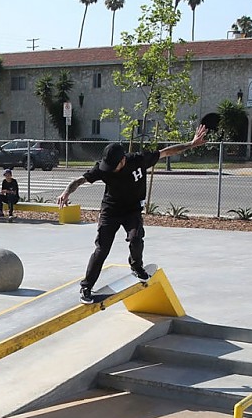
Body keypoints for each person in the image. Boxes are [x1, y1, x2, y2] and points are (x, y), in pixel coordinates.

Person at [57, 125, 210, 304]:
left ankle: (136, 267)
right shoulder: (103, 168)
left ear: (123, 160)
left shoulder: (139, 159)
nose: (110, 170)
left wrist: (191, 144)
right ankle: (86, 286)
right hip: (111, 211)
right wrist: (67, 192)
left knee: (136, 239)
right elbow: (80, 180)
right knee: (102, 249)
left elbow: (166, 152)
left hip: (132, 210)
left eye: (114, 166)